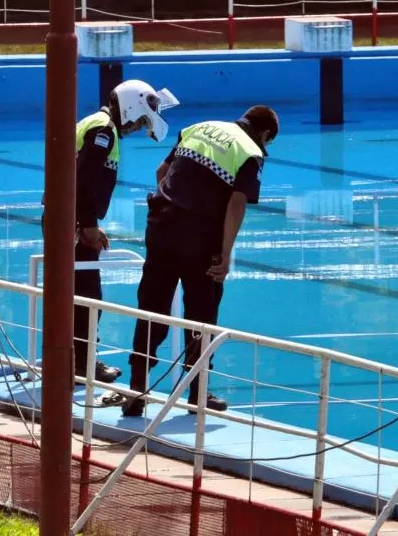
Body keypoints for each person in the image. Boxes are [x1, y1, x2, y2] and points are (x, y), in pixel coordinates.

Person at [103, 105, 280, 416]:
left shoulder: (200, 126)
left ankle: (136, 389)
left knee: (152, 307)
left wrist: (170, 208)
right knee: (201, 312)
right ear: (265, 134)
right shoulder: (250, 151)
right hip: (200, 236)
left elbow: (162, 171)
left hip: (162, 227)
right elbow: (237, 203)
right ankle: (197, 393)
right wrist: (224, 254)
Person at [42, 79, 180, 384]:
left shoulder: (100, 126)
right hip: (71, 223)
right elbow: (83, 180)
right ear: (130, 105)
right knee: (86, 295)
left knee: (77, 294)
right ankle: (81, 363)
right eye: (140, 119)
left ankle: (73, 359)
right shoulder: (104, 131)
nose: (137, 127)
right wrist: (87, 227)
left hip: (69, 220)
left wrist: (90, 224)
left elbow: (78, 180)